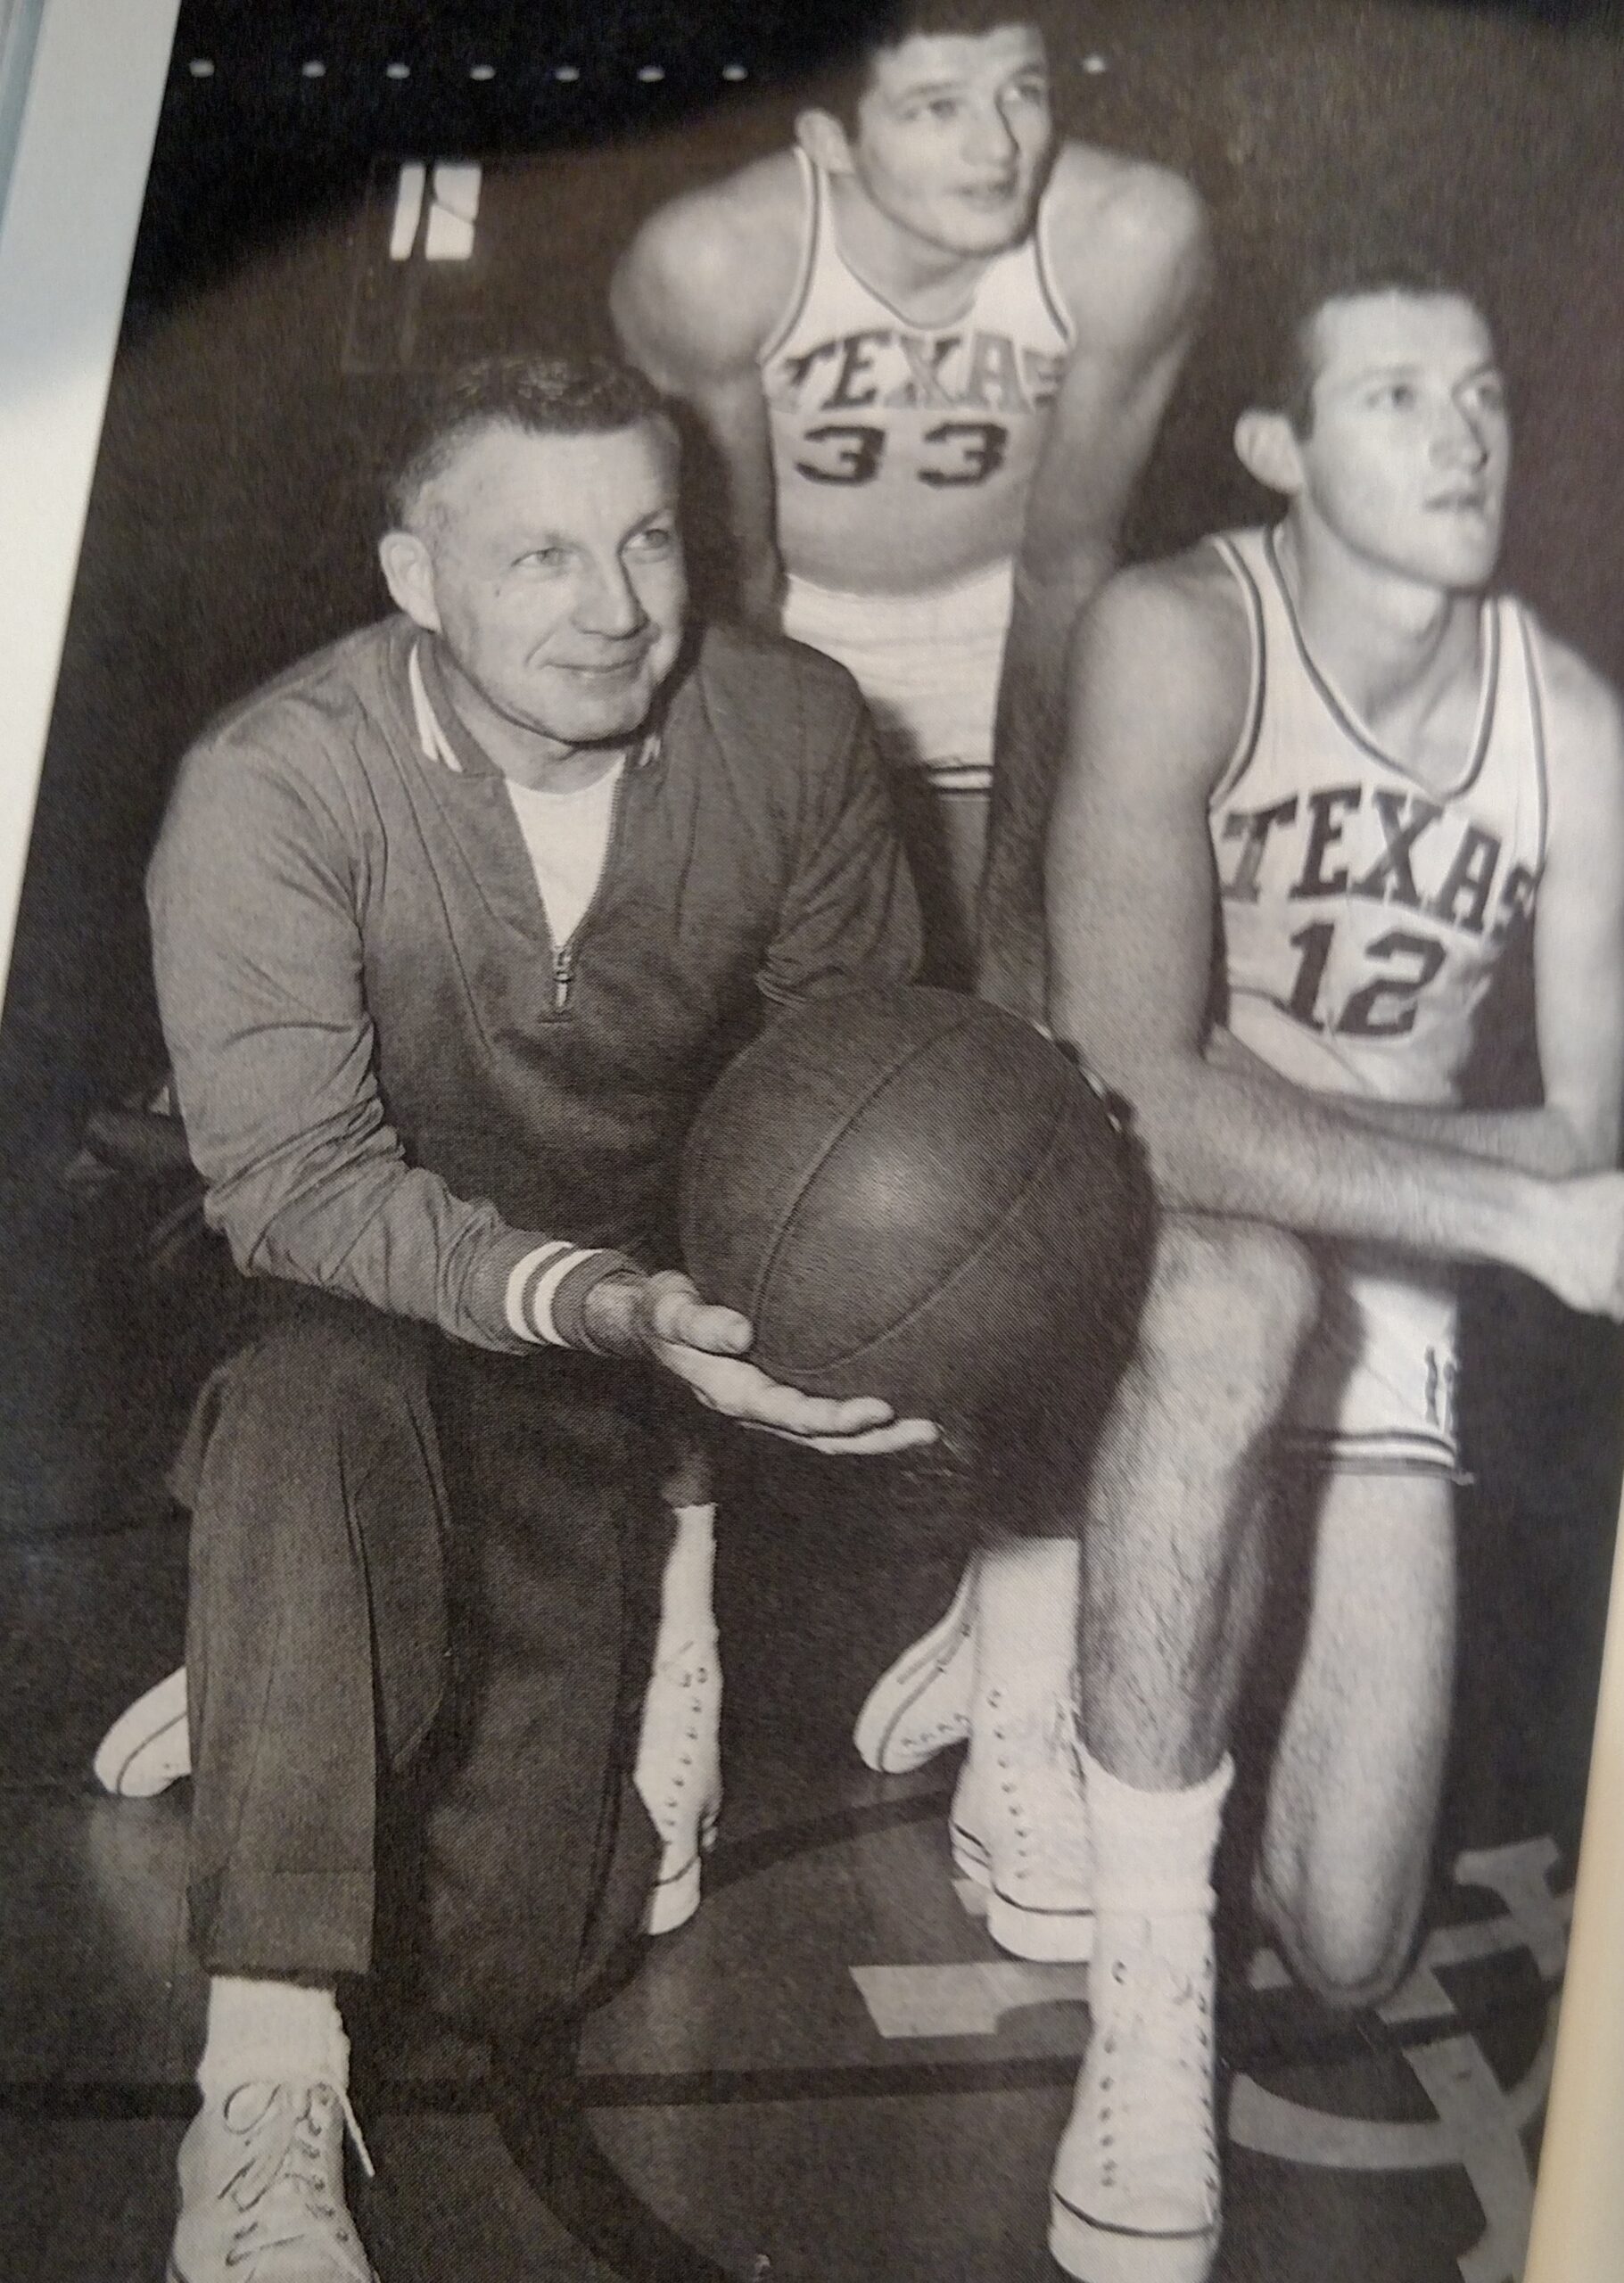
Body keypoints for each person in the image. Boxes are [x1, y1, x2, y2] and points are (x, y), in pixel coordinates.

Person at [147, 352, 935, 2283]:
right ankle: (256, 2082)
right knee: (312, 1399)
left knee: (526, 1955)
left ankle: (338, 1642)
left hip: (622, 1342)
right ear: (417, 577)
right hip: (362, 1295)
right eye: (540, 558)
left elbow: (850, 1090)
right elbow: (300, 1190)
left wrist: (846, 1329)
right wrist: (599, 1298)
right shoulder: (275, 783)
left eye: (649, 538)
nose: (614, 608)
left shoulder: (793, 728)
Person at [1031, 261, 1624, 2282]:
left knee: (1355, 1943)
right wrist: (1514, 1207)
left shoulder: (1568, 727)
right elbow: (1133, 1080)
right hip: (1142, 1232)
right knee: (1224, 1301)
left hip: (1402, 1268)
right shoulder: (1179, 633)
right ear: (1277, 447)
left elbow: (1583, 1137)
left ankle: (1090, 1582)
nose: (1459, 435)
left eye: (1477, 393)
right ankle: (1135, 2014)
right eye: (1391, 396)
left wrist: (1465, 1194)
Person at [610, 0, 1208, 1959]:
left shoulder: (1124, 240)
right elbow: (738, 602)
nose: (993, 139)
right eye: (934, 101)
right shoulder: (713, 261)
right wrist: (793, 942)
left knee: (1063, 1148)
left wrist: (1025, 933)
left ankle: (1023, 1664)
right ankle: (659, 1656)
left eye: (1022, 88)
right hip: (781, 675)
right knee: (705, 1147)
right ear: (821, 130)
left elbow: (1067, 574)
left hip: (1024, 671)